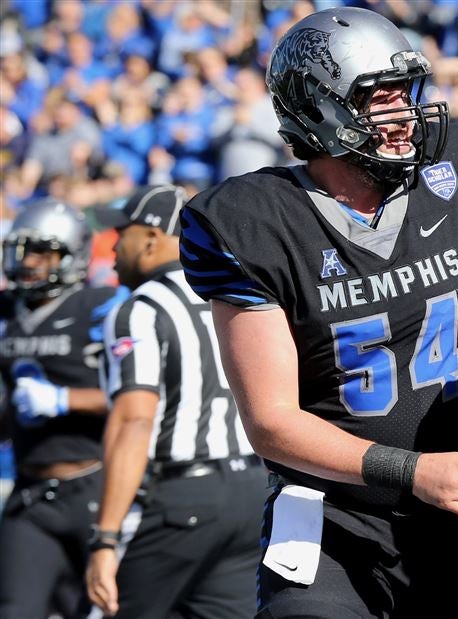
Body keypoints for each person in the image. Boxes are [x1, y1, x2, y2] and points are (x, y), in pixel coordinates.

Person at [178, 7, 458, 617]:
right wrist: (409, 470)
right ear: (317, 109)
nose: (402, 114)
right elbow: (271, 421)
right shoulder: (254, 222)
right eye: (376, 99)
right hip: (335, 518)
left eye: (404, 93)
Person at [85, 185, 266, 618]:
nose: (113, 246)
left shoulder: (143, 307)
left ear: (150, 237)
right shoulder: (235, 292)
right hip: (249, 492)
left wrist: (106, 537)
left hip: (183, 495)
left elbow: (134, 423)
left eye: (122, 232)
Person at [0, 200, 126, 618]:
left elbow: (138, 397)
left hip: (93, 487)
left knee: (106, 609)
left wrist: (64, 399)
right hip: (30, 492)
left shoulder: (100, 307)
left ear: (71, 255)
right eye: (23, 250)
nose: (29, 262)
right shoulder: (6, 312)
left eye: (41, 251)